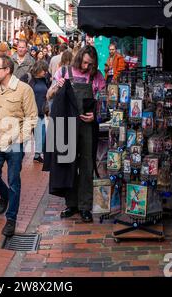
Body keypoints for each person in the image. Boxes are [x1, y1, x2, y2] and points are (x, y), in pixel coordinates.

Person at [44, 45, 106, 223]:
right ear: (79, 58)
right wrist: (57, 86)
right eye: (85, 62)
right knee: (68, 163)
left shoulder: (97, 76)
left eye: (91, 64)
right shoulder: (64, 71)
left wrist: (96, 115)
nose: (87, 67)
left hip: (87, 126)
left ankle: (85, 206)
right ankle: (71, 204)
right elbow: (49, 96)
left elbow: (104, 101)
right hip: (67, 124)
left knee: (87, 165)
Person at [0, 56, 38, 236]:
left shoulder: (23, 89)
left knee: (14, 180)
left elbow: (31, 117)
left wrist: (21, 138)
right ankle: (4, 196)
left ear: (7, 70)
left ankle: (11, 219)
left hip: (14, 143)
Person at [21, 61, 50, 163]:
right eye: (44, 70)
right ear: (38, 69)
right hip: (28, 112)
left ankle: (37, 155)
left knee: (41, 135)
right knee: (25, 135)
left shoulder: (44, 79)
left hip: (40, 112)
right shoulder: (27, 77)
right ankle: (19, 153)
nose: (45, 72)